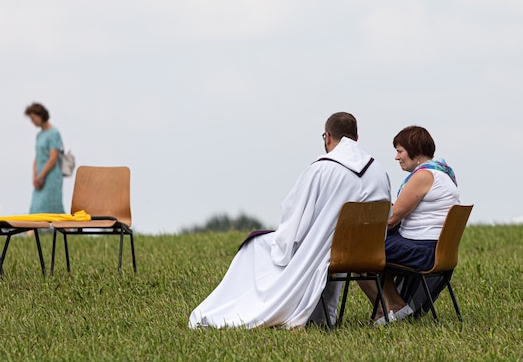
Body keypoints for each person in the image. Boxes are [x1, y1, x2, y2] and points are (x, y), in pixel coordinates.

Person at [188, 112, 391, 329]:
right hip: (369, 253)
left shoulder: (322, 169)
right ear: (356, 138)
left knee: (255, 247)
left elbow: (293, 215)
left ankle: (236, 309)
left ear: (328, 137)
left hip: (329, 253)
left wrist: (285, 243)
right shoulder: (379, 171)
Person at [358, 125, 460, 324]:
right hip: (437, 249)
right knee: (373, 247)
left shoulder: (423, 176)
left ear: (417, 152)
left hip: (424, 250)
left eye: (400, 151)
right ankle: (396, 305)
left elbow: (391, 219)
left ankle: (386, 310)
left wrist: (359, 225)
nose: (397, 157)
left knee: (359, 251)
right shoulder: (442, 173)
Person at [25, 103, 65, 214]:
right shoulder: (39, 135)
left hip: (50, 175)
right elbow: (37, 157)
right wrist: (34, 176)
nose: (32, 122)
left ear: (41, 115)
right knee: (35, 207)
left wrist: (41, 176)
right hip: (39, 176)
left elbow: (53, 158)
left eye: (33, 118)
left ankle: (67, 230)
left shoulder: (54, 133)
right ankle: (31, 231)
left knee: (54, 208)